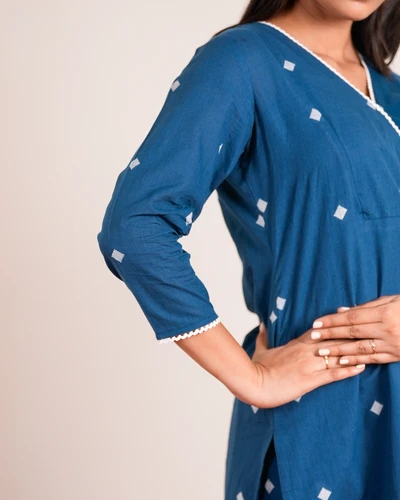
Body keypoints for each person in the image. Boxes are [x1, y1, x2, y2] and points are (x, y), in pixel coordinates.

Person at [96, 0, 400, 498]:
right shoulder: (241, 62)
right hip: (324, 422)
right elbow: (135, 225)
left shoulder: (391, 88)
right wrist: (253, 379)